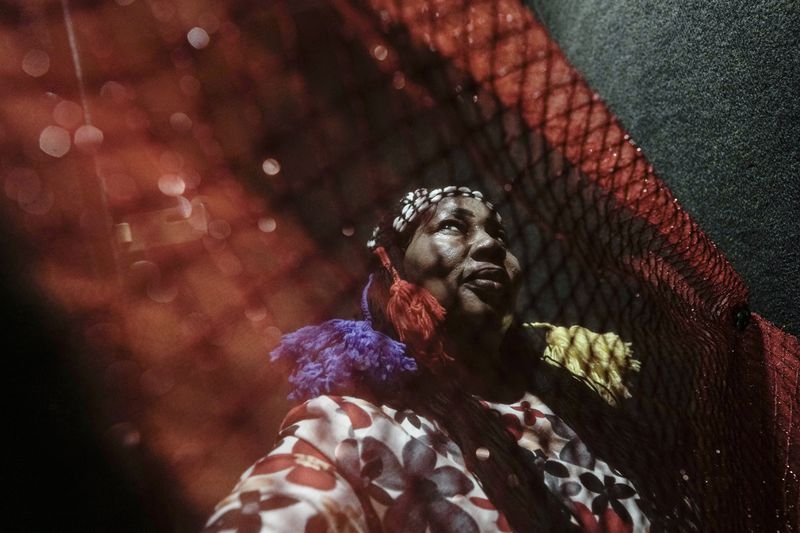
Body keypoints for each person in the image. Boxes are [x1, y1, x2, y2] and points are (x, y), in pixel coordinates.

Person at [205, 186, 651, 532]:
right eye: (454, 226)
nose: (492, 245)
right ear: (394, 266)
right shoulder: (358, 428)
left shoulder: (569, 398)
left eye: (499, 234)